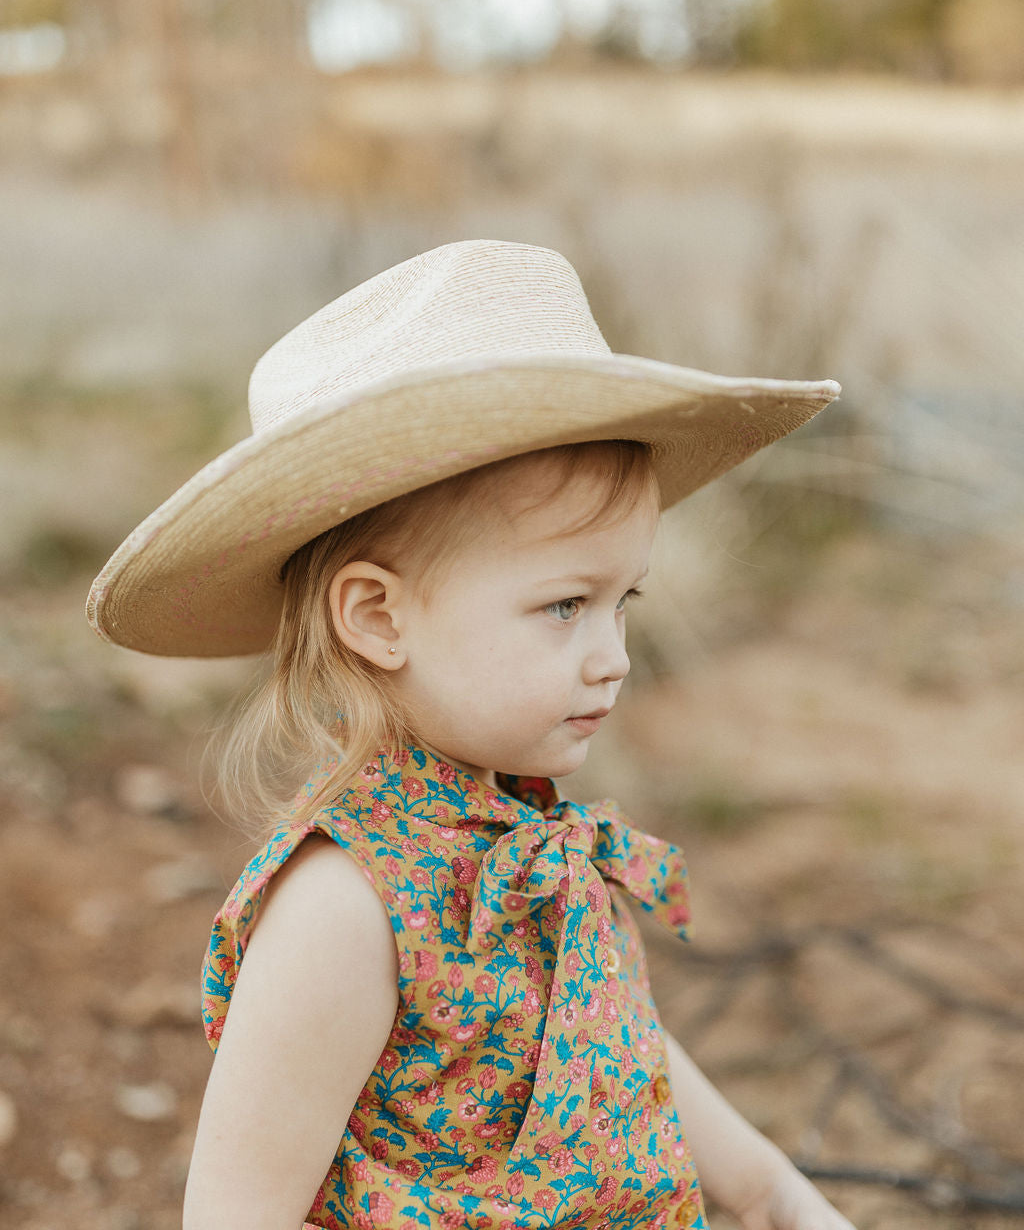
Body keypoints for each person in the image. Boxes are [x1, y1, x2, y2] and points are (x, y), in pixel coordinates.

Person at [87, 240, 855, 1230]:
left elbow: (607, 1038)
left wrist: (771, 1194)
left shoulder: (537, 842)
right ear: (377, 618)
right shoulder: (344, 907)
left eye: (624, 601)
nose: (612, 655)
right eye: (563, 606)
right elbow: (235, 1213)